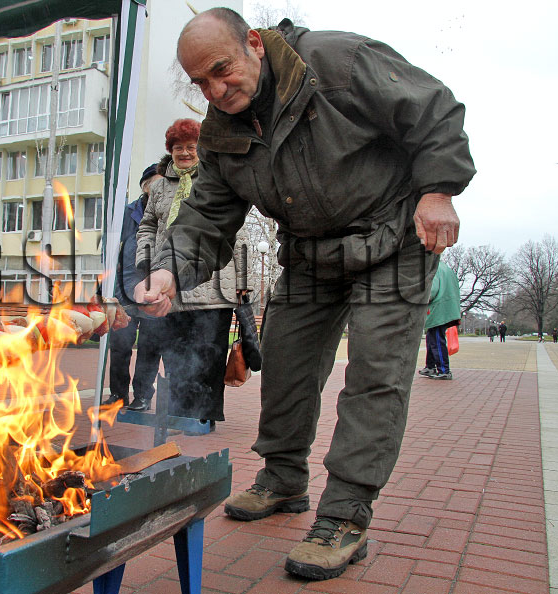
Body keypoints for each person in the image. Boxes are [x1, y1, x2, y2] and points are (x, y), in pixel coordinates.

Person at [133, 8, 475, 581]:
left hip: (393, 241)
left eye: (221, 70)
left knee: (375, 374)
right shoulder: (222, 131)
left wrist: (439, 190)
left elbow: (432, 108)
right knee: (286, 360)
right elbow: (207, 217)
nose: (216, 90)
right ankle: (283, 477)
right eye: (200, 82)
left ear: (253, 43)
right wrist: (167, 270)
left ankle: (344, 514)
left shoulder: (340, 63)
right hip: (312, 253)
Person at [136, 118, 249, 429]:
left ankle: (203, 418)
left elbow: (236, 236)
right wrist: (147, 263)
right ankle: (178, 414)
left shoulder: (216, 182)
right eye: (178, 147)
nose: (185, 153)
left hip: (213, 286)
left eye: (191, 147)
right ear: (170, 151)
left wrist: (244, 287)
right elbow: (147, 227)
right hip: (170, 283)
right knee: (175, 354)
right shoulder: (159, 187)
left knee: (209, 354)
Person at [103, 163, 166, 410]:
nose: (159, 189)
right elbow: (110, 252)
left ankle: (142, 395)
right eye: (154, 184)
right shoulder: (126, 213)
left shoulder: (168, 212)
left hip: (154, 292)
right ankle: (118, 394)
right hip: (125, 292)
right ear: (144, 186)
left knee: (149, 348)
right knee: (119, 346)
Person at [422, 262, 461, 380]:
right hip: (447, 307)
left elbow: (431, 291)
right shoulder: (446, 269)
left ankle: (444, 370)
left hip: (438, 309)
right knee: (432, 338)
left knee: (436, 340)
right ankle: (430, 366)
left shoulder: (433, 268)